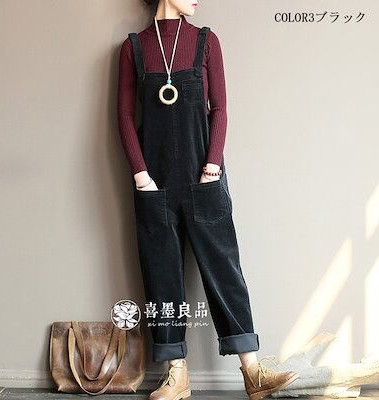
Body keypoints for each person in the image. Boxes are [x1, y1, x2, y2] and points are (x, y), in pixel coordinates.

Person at [117, 1, 299, 399]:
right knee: (161, 275)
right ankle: (176, 375)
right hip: (154, 185)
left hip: (204, 179)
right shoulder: (134, 48)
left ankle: (252, 372)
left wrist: (212, 165)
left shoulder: (206, 41)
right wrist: (141, 175)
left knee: (224, 270)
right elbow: (126, 117)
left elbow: (220, 109)